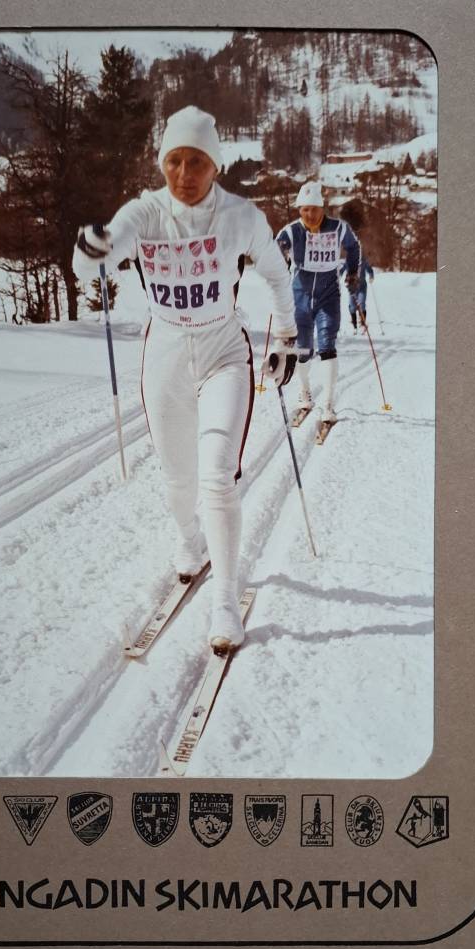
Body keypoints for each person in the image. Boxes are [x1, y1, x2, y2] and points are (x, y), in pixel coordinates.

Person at [72, 106, 297, 654]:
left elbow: (275, 273)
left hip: (224, 352)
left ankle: (225, 599)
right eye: (174, 160)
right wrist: (90, 249)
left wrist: (287, 336)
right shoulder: (145, 212)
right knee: (178, 482)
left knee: (217, 477)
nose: (184, 173)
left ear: (215, 166)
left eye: (196, 161)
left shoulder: (240, 217)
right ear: (162, 163)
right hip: (167, 355)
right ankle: (190, 540)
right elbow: (98, 259)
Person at [276, 181, 361, 425]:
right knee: (303, 349)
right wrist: (279, 261)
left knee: (327, 346)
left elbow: (353, 247)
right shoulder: (291, 231)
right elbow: (275, 249)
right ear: (299, 210)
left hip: (328, 296)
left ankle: (328, 405)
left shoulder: (338, 228)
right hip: (300, 297)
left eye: (314, 209)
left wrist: (352, 272)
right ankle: (305, 393)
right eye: (305, 209)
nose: (310, 214)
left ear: (322, 208)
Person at [339, 255, 374, 332]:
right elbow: (342, 270)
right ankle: (354, 326)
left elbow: (370, 270)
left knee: (362, 304)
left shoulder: (363, 261)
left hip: (362, 287)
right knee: (352, 307)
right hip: (352, 287)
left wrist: (371, 276)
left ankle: (363, 324)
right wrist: (338, 276)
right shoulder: (348, 261)